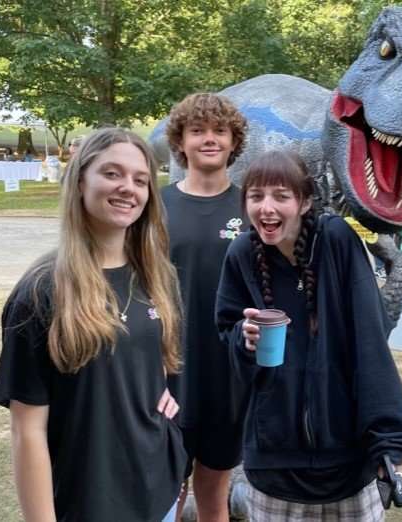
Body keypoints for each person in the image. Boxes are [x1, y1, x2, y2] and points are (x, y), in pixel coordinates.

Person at [0, 128, 187, 521]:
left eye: (141, 179)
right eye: (112, 173)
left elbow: (158, 361)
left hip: (159, 491)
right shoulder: (41, 292)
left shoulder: (159, 277)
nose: (128, 187)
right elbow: (27, 432)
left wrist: (163, 391)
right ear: (80, 181)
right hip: (87, 502)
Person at [216, 150, 402, 521]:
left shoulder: (336, 240)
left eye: (281, 195)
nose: (266, 208)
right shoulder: (241, 254)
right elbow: (227, 332)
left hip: (346, 461)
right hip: (272, 463)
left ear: (305, 200)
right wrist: (242, 340)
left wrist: (388, 444)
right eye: (256, 196)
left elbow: (369, 342)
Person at [162, 92, 248, 521]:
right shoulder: (154, 206)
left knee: (214, 494)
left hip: (226, 374)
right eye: (197, 131)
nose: (209, 140)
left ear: (235, 141)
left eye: (219, 131)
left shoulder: (253, 207)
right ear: (181, 141)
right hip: (165, 370)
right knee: (165, 493)